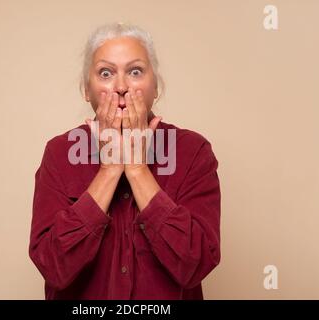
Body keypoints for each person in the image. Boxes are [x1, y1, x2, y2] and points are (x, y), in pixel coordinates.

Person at [29, 22, 221, 299]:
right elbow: (53, 266)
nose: (120, 87)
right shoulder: (59, 154)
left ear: (156, 87)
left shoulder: (193, 151)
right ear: (86, 89)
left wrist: (137, 168)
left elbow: (196, 264)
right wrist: (109, 169)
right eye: (105, 73)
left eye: (135, 71)